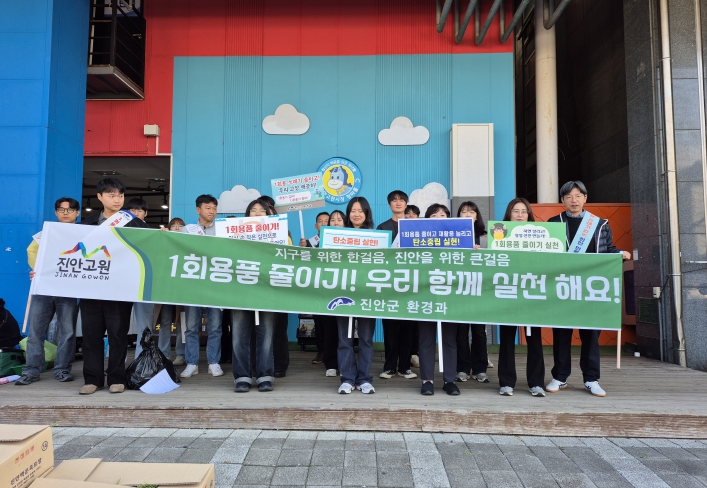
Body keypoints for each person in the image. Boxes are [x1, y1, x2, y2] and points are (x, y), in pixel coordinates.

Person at [546, 181, 631, 397]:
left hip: (590, 289)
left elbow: (607, 250)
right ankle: (560, 377)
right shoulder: (554, 223)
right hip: (563, 287)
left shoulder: (600, 224)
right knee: (561, 334)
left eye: (578, 196)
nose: (573, 200)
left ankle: (591, 379)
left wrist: (619, 254)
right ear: (562, 200)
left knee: (591, 335)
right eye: (568, 196)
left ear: (585, 198)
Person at [79, 178, 149, 395]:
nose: (117, 200)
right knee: (91, 335)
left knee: (118, 334)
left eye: (120, 195)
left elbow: (149, 250)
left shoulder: (136, 224)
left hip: (120, 289)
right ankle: (93, 379)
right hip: (90, 288)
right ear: (99, 197)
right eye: (111, 195)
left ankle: (116, 378)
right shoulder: (86, 224)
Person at [16, 197, 81, 385]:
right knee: (36, 331)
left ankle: (62, 369)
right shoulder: (46, 232)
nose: (65, 213)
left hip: (68, 289)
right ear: (56, 212)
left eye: (70, 210)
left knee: (67, 332)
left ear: (77, 213)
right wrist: (38, 270)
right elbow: (32, 251)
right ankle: (31, 370)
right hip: (44, 287)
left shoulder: (84, 234)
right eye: (61, 209)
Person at [497, 198, 546, 397]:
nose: (520, 215)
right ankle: (506, 382)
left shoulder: (541, 236)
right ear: (509, 214)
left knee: (534, 339)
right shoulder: (498, 236)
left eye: (524, 211)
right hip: (507, 293)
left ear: (529, 215)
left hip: (531, 293)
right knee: (507, 338)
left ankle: (536, 383)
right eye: (515, 211)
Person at [231, 198, 278, 392]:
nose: (257, 214)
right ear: (247, 214)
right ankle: (242, 377)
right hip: (239, 290)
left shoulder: (277, 234)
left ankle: (264, 376)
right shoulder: (234, 234)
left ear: (268, 214)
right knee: (239, 335)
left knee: (265, 335)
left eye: (262, 210)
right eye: (253, 210)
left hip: (266, 291)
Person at [180, 194, 223, 378]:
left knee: (216, 326)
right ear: (198, 210)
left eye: (214, 208)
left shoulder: (223, 230)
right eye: (208, 208)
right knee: (191, 326)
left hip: (217, 283)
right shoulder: (187, 230)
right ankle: (192, 363)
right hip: (193, 284)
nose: (212, 211)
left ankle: (214, 362)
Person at [418, 204, 459, 396]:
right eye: (433, 215)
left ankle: (449, 380)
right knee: (426, 339)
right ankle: (427, 380)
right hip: (425, 295)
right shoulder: (418, 239)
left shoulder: (458, 240)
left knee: (449, 340)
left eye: (442, 215)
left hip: (449, 296)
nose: (438, 218)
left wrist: (473, 250)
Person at [336, 197, 377, 394]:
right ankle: (347, 378)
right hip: (343, 293)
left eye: (360, 210)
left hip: (367, 294)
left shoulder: (376, 237)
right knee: (344, 339)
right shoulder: (337, 237)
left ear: (367, 213)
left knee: (366, 339)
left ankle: (364, 379)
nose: (356, 214)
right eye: (353, 210)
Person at [377, 190, 417, 381]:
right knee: (390, 329)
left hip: (411, 285)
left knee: (408, 329)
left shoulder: (415, 226)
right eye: (394, 200)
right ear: (389, 204)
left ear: (406, 204)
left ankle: (405, 367)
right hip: (389, 285)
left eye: (402, 200)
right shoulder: (382, 227)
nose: (398, 203)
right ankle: (390, 367)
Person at [454, 201, 492, 384]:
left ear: (477, 216)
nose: (467, 214)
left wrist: (480, 252)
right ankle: (462, 368)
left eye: (471, 212)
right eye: (463, 211)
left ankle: (480, 369)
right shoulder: (453, 236)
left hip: (480, 291)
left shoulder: (485, 238)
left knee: (479, 332)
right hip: (460, 290)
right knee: (461, 332)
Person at [125, 198, 155, 360]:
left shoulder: (153, 234)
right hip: (123, 284)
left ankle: (142, 362)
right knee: (118, 326)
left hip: (144, 285)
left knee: (145, 326)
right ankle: (118, 364)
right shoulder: (118, 232)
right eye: (132, 210)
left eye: (139, 210)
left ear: (146, 213)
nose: (136, 213)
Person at [157, 217, 186, 364]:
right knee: (165, 321)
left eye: (180, 225)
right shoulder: (164, 242)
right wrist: (162, 237)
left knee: (181, 322)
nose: (177, 227)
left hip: (182, 289)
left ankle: (181, 354)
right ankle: (164, 354)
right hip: (166, 289)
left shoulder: (188, 243)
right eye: (174, 225)